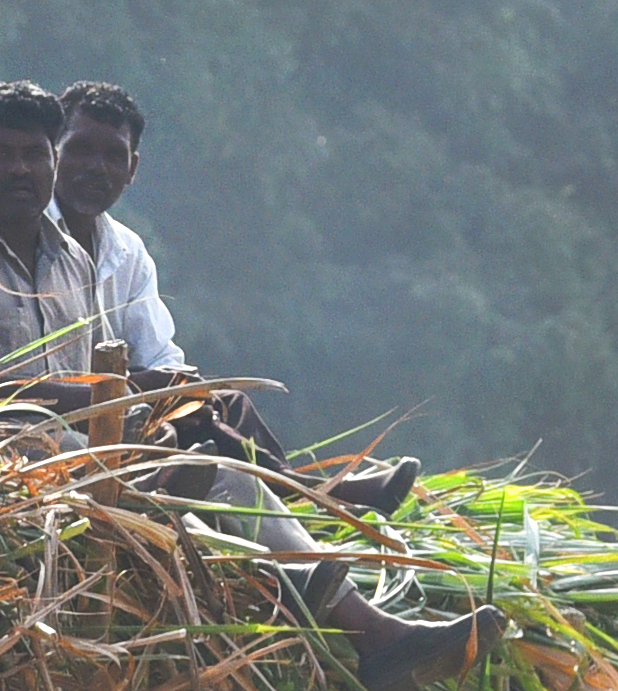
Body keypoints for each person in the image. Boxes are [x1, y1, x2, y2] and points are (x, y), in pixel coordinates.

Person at [0, 82, 498, 691]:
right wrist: (63, 396)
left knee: (228, 473)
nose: (20, 170)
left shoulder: (71, 258)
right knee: (89, 448)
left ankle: (373, 632)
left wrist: (136, 405)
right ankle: (188, 498)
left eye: (34, 154)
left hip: (85, 443)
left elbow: (100, 369)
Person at [51, 81, 416, 519]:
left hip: (127, 403)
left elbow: (161, 356)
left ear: (133, 169)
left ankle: (298, 493)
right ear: (52, 153)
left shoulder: (127, 251)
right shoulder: (34, 236)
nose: (97, 168)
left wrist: (179, 390)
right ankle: (313, 495)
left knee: (223, 401)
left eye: (114, 156)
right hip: (68, 413)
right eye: (80, 150)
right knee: (198, 409)